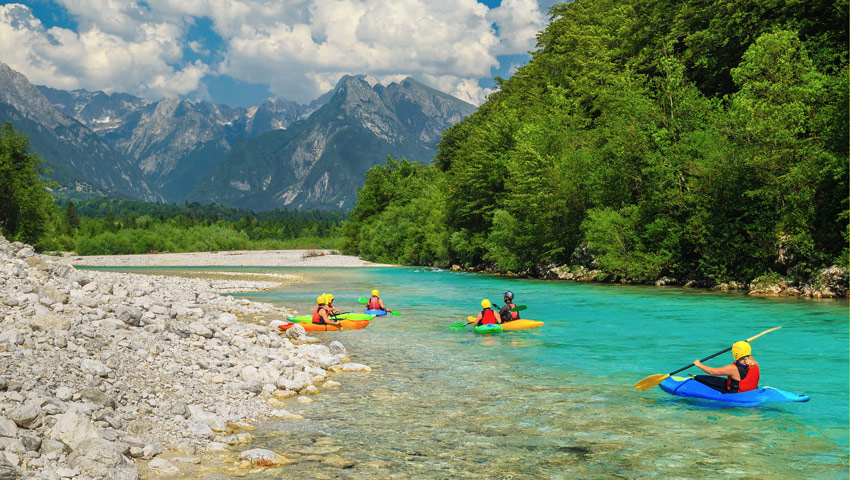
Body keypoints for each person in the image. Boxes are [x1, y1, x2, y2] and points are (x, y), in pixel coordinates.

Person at [692, 341, 760, 393]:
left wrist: (699, 364)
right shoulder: (754, 363)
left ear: (735, 353)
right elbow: (746, 354)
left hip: (737, 393)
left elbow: (712, 371)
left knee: (705, 379)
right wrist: (741, 345)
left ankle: (693, 377)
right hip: (751, 390)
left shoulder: (733, 368)